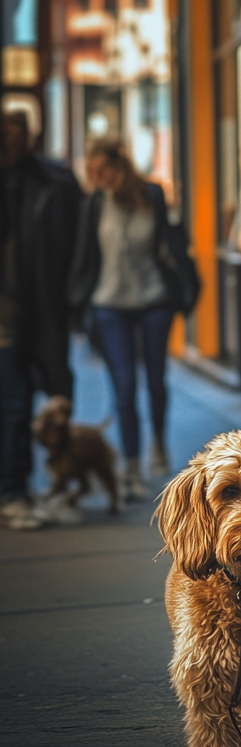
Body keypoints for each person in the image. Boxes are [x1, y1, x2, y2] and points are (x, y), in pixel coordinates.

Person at [68, 139, 177, 501]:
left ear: (119, 166)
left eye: (102, 171)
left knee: (156, 380)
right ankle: (131, 466)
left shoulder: (153, 195)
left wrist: (180, 288)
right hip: (109, 303)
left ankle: (158, 442)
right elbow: (84, 255)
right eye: (91, 172)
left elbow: (169, 245)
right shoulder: (95, 203)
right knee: (124, 385)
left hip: (153, 300)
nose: (96, 179)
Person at [0, 111, 82, 530]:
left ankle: (37, 488)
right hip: (8, 318)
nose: (13, 144)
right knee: (13, 405)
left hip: (41, 312)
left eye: (19, 136)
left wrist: (75, 302)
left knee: (44, 401)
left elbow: (77, 248)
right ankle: (13, 491)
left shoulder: (53, 182)